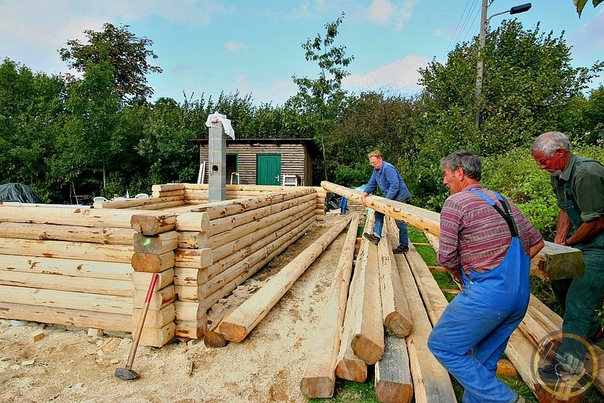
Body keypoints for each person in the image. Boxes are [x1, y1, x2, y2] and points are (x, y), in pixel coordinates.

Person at [427, 150, 544, 403]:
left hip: (487, 297)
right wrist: (511, 272)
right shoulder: (504, 200)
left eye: (446, 175)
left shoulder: (455, 203)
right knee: (484, 361)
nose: (444, 181)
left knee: (442, 346)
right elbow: (536, 243)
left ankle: (506, 399)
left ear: (460, 173)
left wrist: (463, 277)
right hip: (520, 297)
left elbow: (446, 258)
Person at [530, 131, 604, 377]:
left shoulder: (587, 173)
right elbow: (565, 209)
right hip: (583, 241)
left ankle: (567, 366)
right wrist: (560, 244)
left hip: (599, 246)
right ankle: (594, 332)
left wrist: (570, 242)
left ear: (560, 153)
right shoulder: (559, 174)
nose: (541, 167)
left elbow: (596, 221)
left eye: (543, 161)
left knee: (578, 301)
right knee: (559, 282)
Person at [360, 150, 411, 254]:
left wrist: (386, 201)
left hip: (400, 196)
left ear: (380, 159)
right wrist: (364, 194)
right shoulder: (376, 171)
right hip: (390, 196)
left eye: (374, 162)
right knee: (379, 213)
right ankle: (376, 235)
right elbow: (371, 184)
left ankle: (404, 245)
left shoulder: (388, 168)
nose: (373, 165)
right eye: (371, 163)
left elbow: (395, 185)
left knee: (400, 221)